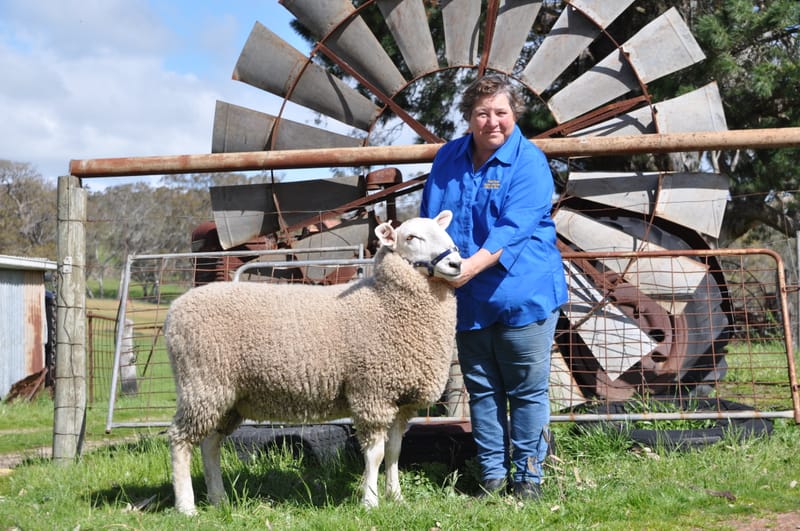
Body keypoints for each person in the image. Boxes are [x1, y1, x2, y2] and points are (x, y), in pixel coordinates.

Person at [420, 74, 568, 500]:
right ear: (469, 117)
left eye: (501, 112)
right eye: (482, 113)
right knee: (481, 390)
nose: (492, 122)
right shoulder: (447, 158)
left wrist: (467, 269)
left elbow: (511, 231)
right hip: (468, 300)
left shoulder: (530, 164)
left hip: (522, 294)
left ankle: (529, 480)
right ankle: (490, 479)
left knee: (525, 389)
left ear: (514, 115)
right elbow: (433, 222)